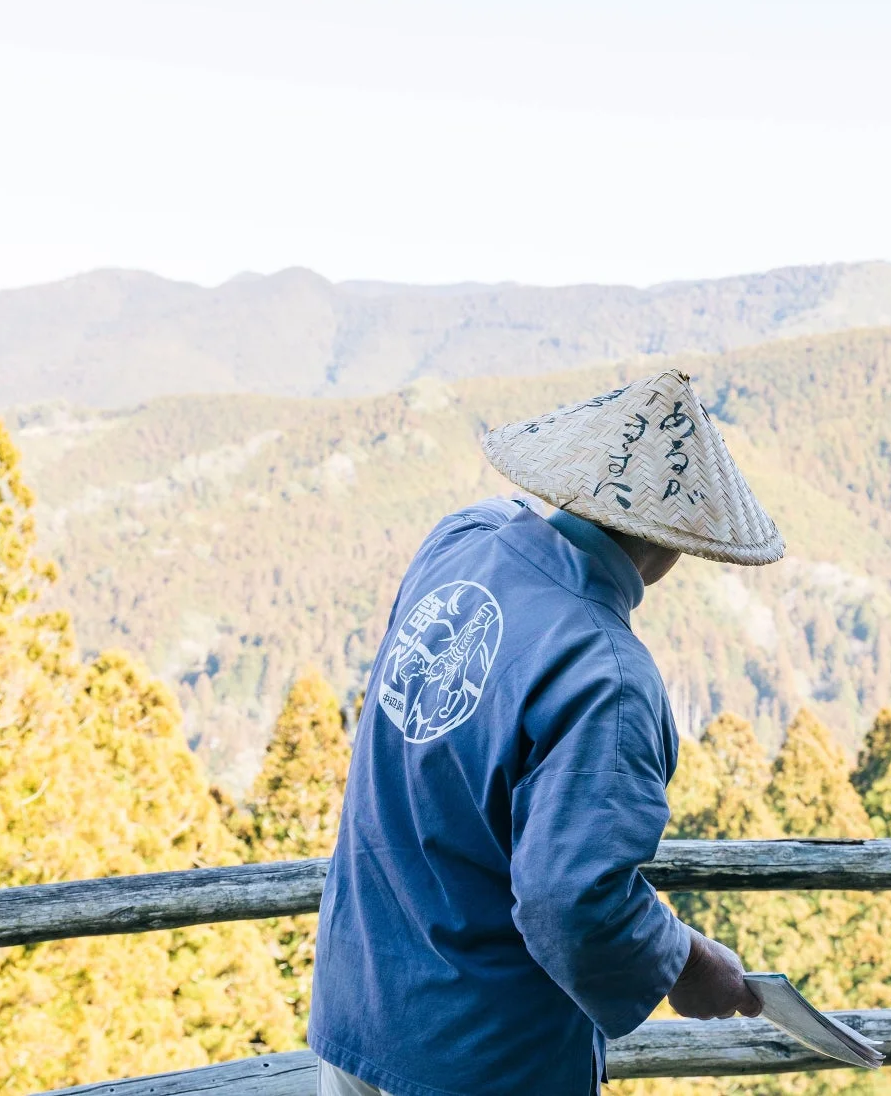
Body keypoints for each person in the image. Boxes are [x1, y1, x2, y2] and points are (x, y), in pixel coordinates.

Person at [309, 369, 787, 1096]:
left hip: (358, 1013)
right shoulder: (607, 677)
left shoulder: (458, 543)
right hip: (483, 1056)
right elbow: (575, 905)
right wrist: (687, 965)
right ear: (682, 539)